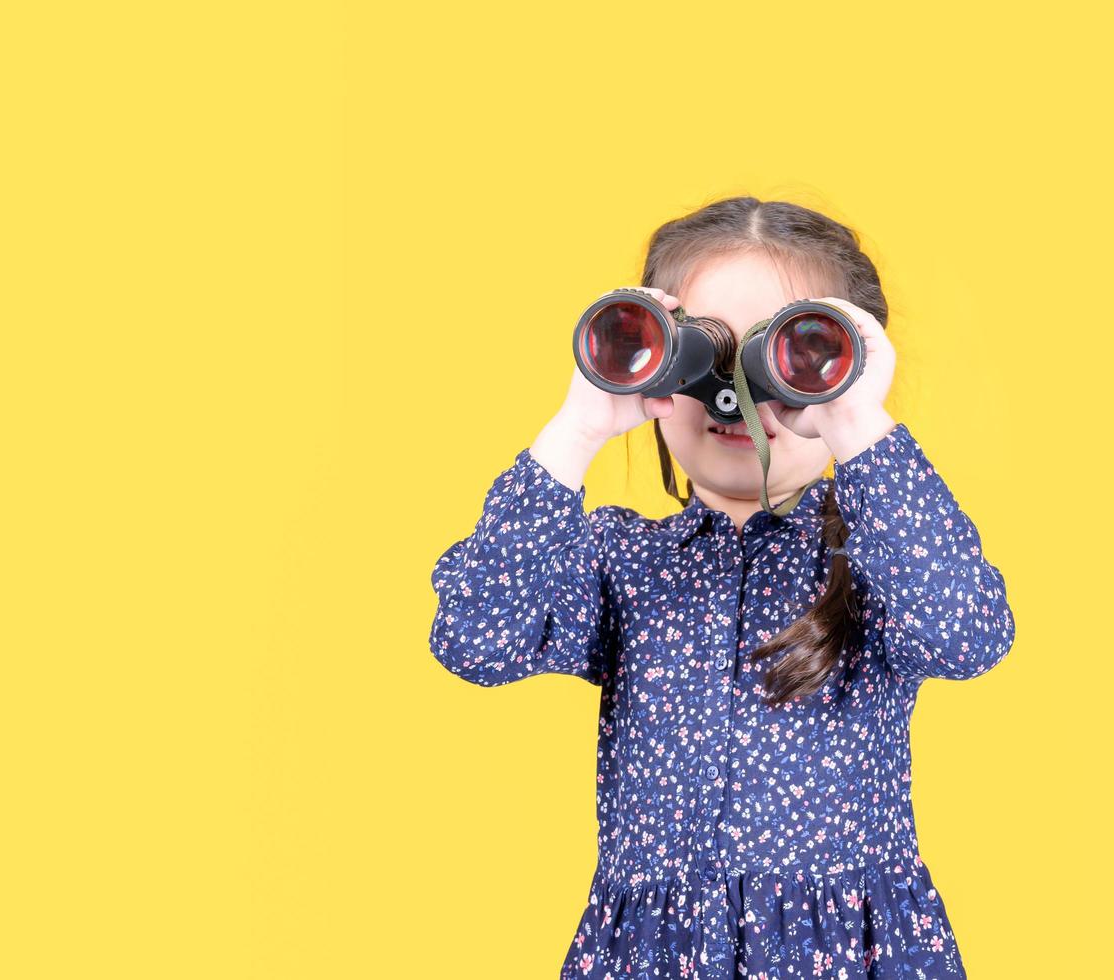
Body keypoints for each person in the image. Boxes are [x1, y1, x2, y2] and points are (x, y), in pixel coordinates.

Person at [428, 197, 1016, 979]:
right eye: (701, 353)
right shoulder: (620, 557)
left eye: (794, 354)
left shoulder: (872, 555)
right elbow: (476, 639)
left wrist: (855, 427)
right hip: (651, 956)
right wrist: (577, 427)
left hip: (845, 957)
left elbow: (965, 633)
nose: (734, 390)